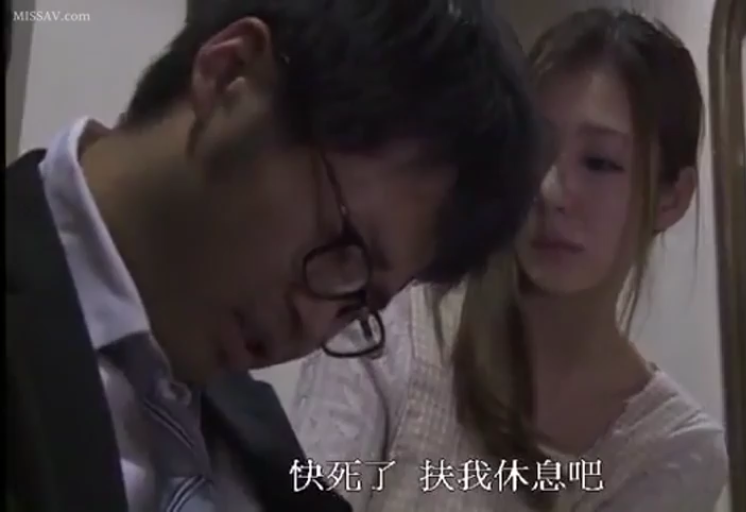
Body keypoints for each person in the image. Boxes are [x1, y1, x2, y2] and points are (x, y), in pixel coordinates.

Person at [4, 1, 545, 511]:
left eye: (357, 303)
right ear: (229, 75)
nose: (313, 322)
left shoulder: (257, 439)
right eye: (341, 245)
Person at [288, 8, 728, 512]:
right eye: (538, 149)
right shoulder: (388, 325)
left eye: (599, 163)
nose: (550, 191)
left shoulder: (674, 450)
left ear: (672, 198)